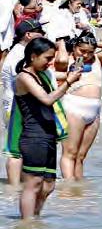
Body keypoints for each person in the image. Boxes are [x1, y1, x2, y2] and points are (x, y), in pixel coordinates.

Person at [9, 37, 80, 218]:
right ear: (33, 56)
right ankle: (27, 223)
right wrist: (69, 82)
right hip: (33, 136)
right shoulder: (24, 77)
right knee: (33, 183)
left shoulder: (42, 75)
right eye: (47, 58)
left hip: (48, 134)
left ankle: (35, 218)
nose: (50, 63)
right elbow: (47, 99)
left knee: (49, 184)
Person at [59, 31, 102, 179]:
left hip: (94, 110)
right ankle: (69, 186)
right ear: (75, 47)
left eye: (90, 52)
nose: (86, 55)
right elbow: (60, 59)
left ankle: (79, 187)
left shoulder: (97, 59)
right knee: (70, 153)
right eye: (82, 50)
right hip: (74, 107)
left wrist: (93, 43)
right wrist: (70, 44)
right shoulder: (67, 61)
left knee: (81, 155)